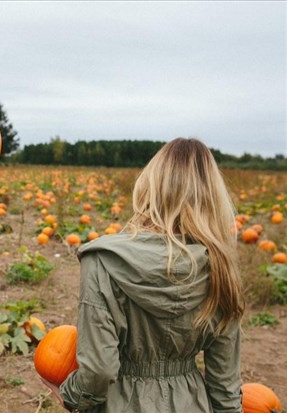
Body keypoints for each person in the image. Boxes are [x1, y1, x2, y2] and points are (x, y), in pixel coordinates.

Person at [42, 137, 245, 412]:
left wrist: (72, 394)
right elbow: (225, 389)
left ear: (149, 186)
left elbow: (99, 371)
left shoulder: (103, 259)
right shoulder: (221, 267)